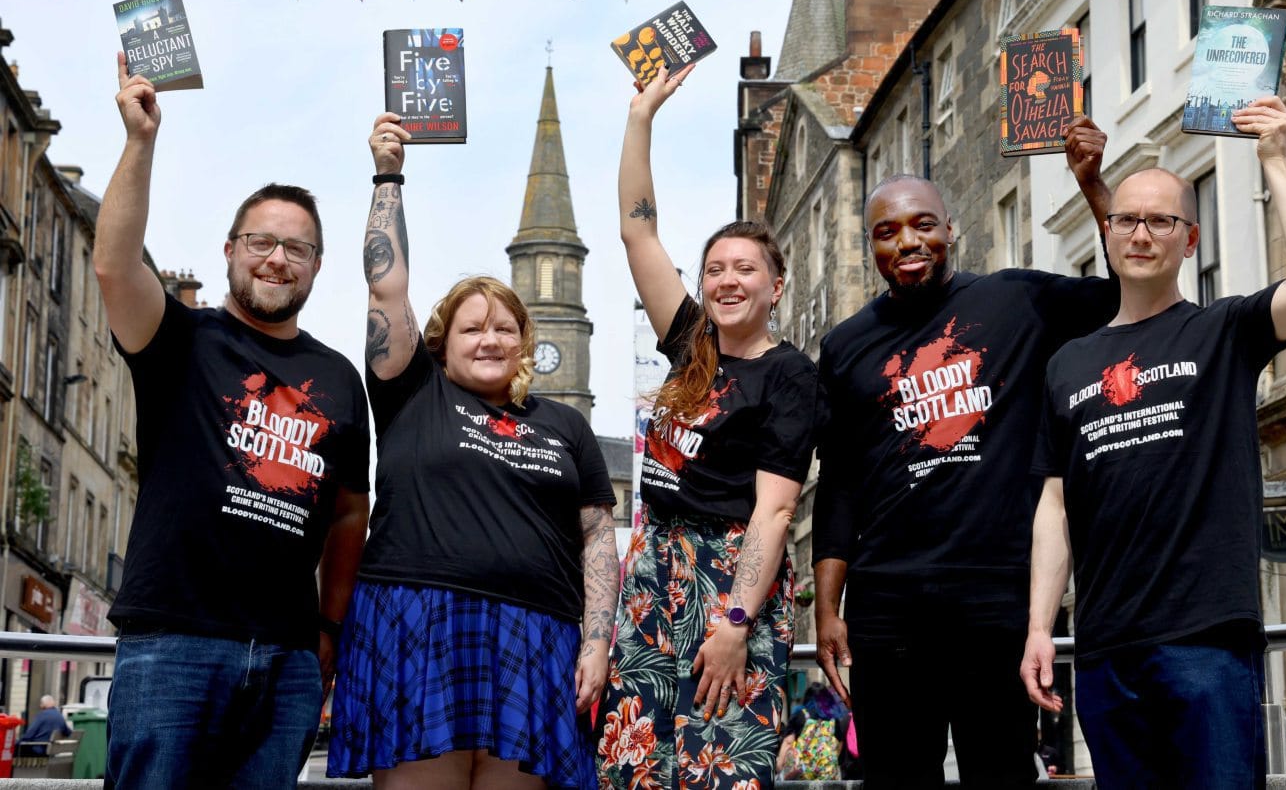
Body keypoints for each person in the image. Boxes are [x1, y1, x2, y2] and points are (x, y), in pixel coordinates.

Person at [1021, 97, 1286, 789]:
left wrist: (1276, 160)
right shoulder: (1066, 365)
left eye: (1161, 221)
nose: (1141, 234)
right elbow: (1055, 504)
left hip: (1206, 641)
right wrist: (1041, 627)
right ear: (1106, 232)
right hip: (1106, 649)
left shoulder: (1224, 332)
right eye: (1127, 220)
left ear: (1189, 240)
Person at [812, 119, 1117, 790]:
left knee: (1001, 770)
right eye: (887, 233)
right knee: (894, 776)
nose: (907, 242)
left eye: (922, 224)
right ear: (872, 247)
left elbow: (1125, 286)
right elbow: (838, 484)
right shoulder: (845, 348)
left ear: (950, 230)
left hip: (996, 594)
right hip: (888, 603)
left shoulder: (1016, 300)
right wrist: (828, 606)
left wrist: (1092, 184)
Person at [96, 55, 371, 789]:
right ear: (230, 251)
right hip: (173, 645)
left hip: (286, 659)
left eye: (298, 248)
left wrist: (328, 634)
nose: (278, 259)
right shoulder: (181, 338)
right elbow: (114, 270)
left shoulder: (340, 379)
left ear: (317, 266)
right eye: (261, 242)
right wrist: (140, 143)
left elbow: (349, 514)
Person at [327, 115, 618, 790]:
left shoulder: (564, 425)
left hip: (537, 635)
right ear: (441, 340)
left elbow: (598, 538)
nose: (489, 338)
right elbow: (385, 287)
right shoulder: (411, 392)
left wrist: (597, 640)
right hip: (415, 622)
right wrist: (388, 175)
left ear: (524, 340)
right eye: (472, 327)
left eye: (505, 327)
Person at [597, 66, 825, 790]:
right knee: (637, 763)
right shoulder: (692, 340)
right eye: (716, 268)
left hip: (729, 575)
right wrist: (642, 117)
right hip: (653, 564)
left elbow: (776, 510)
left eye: (746, 269)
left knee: (718, 765)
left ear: (775, 286)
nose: (727, 280)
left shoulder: (788, 375)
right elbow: (638, 233)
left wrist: (734, 621)